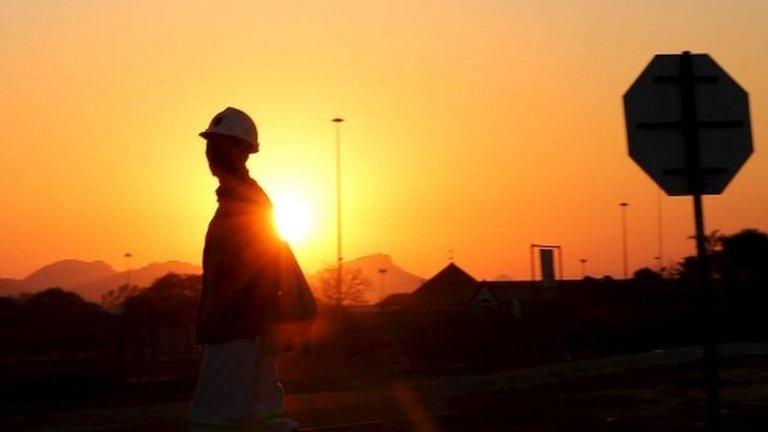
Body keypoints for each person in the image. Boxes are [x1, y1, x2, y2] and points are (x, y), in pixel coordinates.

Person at [189, 107, 314, 432]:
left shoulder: (243, 204)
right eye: (209, 145)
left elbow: (250, 269)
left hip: (236, 329)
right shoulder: (244, 200)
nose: (209, 154)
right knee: (267, 415)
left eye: (217, 146)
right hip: (251, 328)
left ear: (239, 152)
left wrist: (221, 326)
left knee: (212, 418)